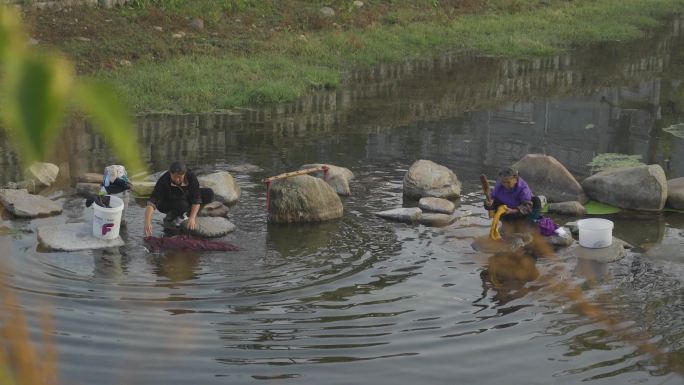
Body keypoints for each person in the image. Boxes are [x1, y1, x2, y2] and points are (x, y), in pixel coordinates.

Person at [144, 161, 214, 237]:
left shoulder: (191, 176)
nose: (177, 180)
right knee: (182, 205)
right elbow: (152, 202)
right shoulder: (163, 181)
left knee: (209, 193)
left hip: (183, 195)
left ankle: (190, 213)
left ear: (184, 174)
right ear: (170, 173)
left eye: (180, 177)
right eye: (174, 177)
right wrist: (147, 222)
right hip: (166, 202)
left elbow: (196, 197)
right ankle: (171, 217)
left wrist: (192, 218)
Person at [484, 167, 542, 235]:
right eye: (503, 182)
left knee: (536, 200)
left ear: (515, 179)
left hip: (520, 212)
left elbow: (527, 207)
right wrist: (488, 203)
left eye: (508, 182)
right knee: (495, 203)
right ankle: (508, 225)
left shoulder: (523, 188)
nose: (505, 185)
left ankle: (528, 224)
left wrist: (513, 210)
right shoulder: (499, 185)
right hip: (507, 211)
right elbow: (492, 200)